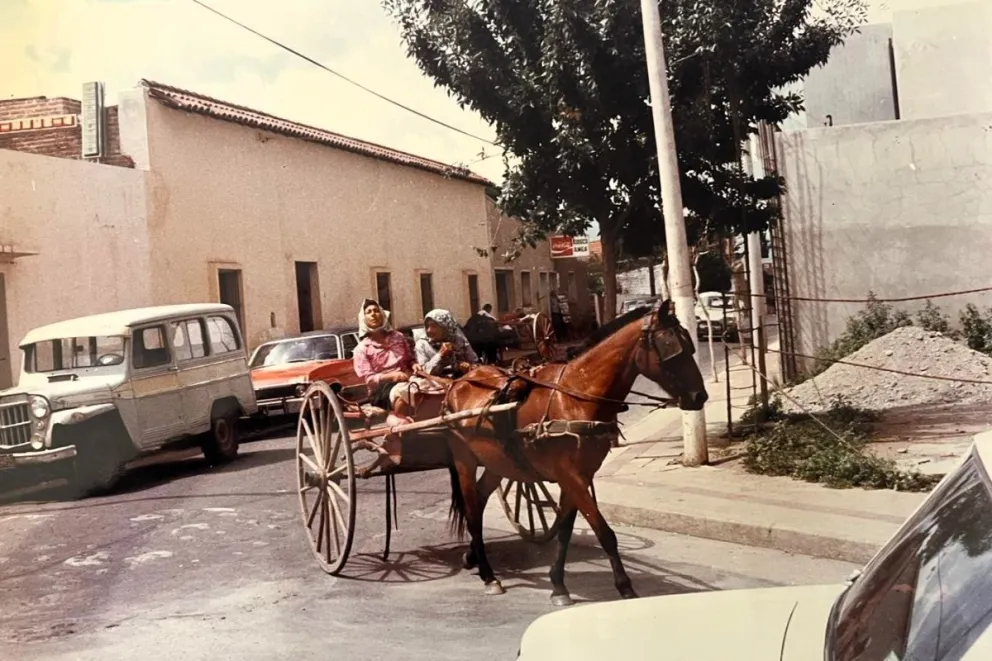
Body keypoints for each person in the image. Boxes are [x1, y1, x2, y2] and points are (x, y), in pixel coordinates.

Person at [351, 299, 414, 421]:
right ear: (363, 319)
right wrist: (392, 376)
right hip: (381, 391)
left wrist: (414, 364)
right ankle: (396, 433)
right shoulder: (362, 349)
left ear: (383, 314)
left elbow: (410, 360)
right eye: (369, 312)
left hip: (408, 380)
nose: (373, 314)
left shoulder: (399, 337)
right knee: (403, 395)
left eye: (376, 311)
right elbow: (369, 379)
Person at [415, 308, 480, 379]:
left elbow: (474, 361)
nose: (429, 330)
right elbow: (424, 372)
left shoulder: (458, 339)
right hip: (435, 383)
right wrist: (440, 354)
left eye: (434, 326)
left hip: (461, 380)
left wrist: (467, 367)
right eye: (427, 326)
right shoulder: (422, 344)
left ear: (445, 327)